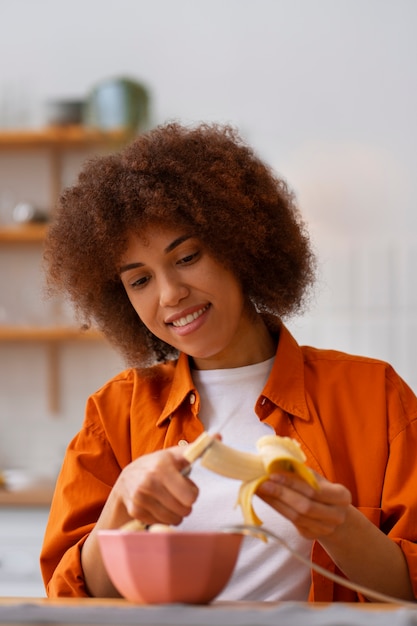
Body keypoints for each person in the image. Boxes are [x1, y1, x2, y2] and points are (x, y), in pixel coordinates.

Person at [40, 121, 417, 603]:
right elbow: (71, 604)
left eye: (188, 256)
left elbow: (412, 595)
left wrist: (339, 526)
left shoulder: (375, 396)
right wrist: (120, 505)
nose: (171, 295)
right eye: (140, 281)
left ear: (239, 245)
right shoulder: (113, 415)